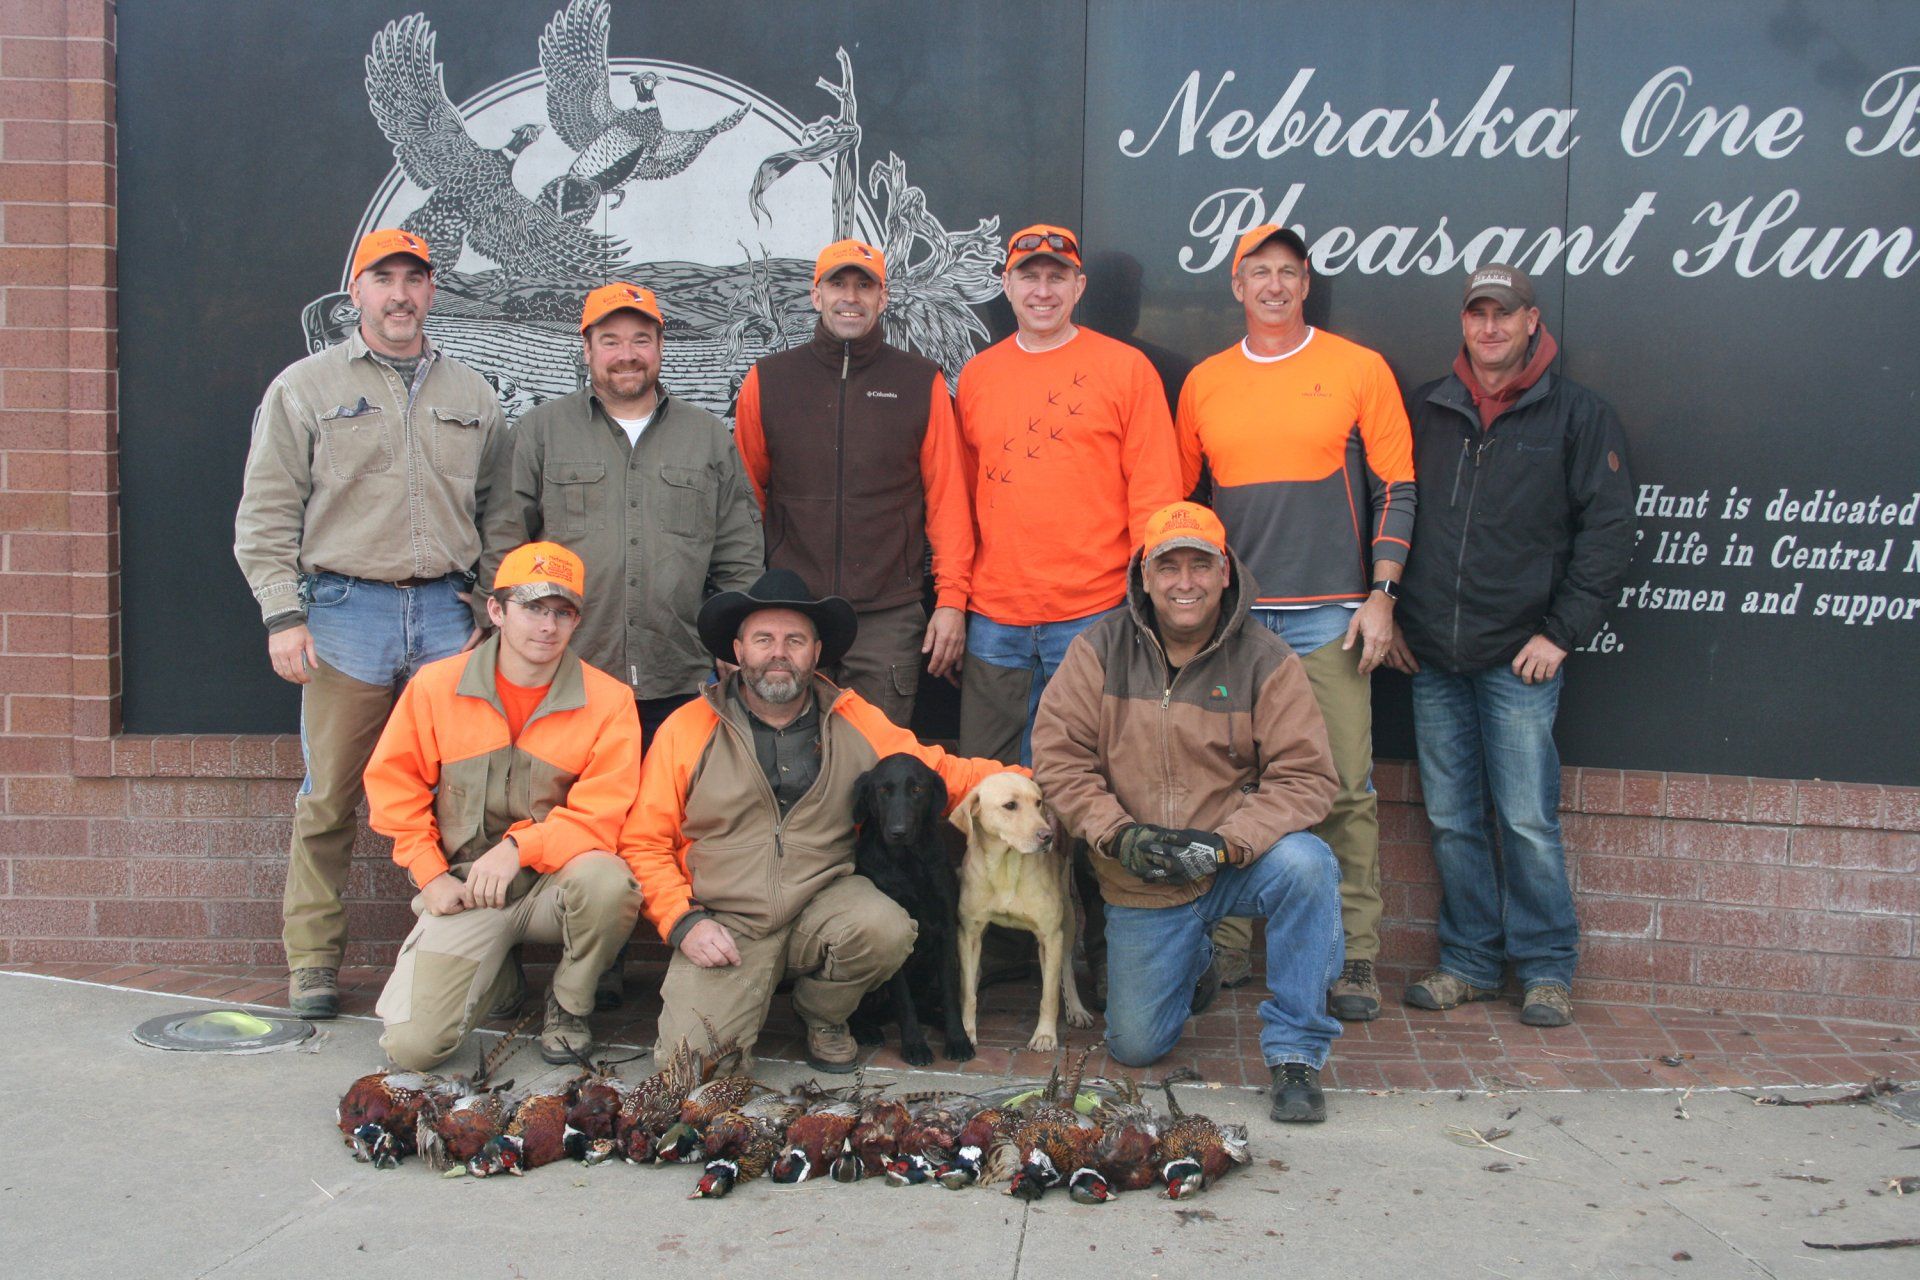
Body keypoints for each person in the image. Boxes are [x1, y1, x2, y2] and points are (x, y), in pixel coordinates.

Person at [234, 228, 506, 1020]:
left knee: (469, 795)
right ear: (356, 292)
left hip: (449, 615)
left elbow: (498, 507)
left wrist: (492, 599)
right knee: (329, 798)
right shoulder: (305, 388)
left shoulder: (473, 393)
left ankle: (472, 956)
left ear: (430, 292)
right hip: (346, 614)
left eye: (414, 280)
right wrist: (282, 614)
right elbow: (268, 512)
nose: (400, 294)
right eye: (382, 278)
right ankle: (314, 962)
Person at [622, 569, 1012, 1071]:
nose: (779, 652)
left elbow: (940, 771)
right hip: (726, 919)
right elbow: (644, 842)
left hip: (825, 902)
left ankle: (823, 1014)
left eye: (795, 640)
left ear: (816, 650)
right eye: (764, 639)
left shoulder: (856, 720)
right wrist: (682, 921)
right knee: (691, 1070)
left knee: (888, 927)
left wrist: (1027, 783)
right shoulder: (688, 728)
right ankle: (742, 1002)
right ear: (738, 650)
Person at [1174, 223, 1416, 1022]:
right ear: (1236, 286)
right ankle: (1231, 949)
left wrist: (1382, 593)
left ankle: (1355, 961)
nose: (1274, 285)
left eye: (1288, 271)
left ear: (1306, 283)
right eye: (1258, 273)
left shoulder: (1357, 368)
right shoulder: (1205, 382)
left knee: (1344, 788)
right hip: (1235, 624)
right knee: (1232, 786)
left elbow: (1397, 487)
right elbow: (1182, 513)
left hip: (1331, 621)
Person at [1033, 502, 1344, 1122]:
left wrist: (1227, 843)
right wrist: (1117, 835)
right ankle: (1194, 962)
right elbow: (1057, 757)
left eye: (1199, 566)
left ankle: (1297, 1056)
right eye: (1167, 567)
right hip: (1141, 876)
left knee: (1309, 865)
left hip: (1235, 860)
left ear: (1225, 572)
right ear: (1142, 578)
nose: (1184, 582)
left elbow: (1307, 778)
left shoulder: (1267, 658)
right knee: (1136, 1045)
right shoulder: (1098, 650)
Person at [1386, 264, 1635, 1028]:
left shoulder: (1577, 415)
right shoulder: (1427, 407)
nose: (1489, 327)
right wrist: (1390, 611)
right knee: (1455, 819)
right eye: (1477, 314)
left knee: (1525, 818)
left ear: (1532, 320)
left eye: (1504, 314)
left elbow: (1608, 532)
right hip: (1431, 654)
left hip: (1520, 658)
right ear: (1463, 322)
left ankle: (1546, 968)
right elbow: (1390, 505)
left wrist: (1560, 634)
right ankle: (1468, 961)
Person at [366, 542, 643, 1068]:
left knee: (610, 882)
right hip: (470, 891)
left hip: (556, 887)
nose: (548, 626)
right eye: (533, 608)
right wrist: (430, 875)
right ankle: (499, 979)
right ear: (496, 610)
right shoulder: (436, 686)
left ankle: (568, 1005)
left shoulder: (609, 701)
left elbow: (604, 812)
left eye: (562, 612)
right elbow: (393, 785)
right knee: (412, 1050)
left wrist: (520, 847)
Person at [479, 282, 762, 747]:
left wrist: (738, 636)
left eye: (640, 340)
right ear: (586, 348)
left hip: (680, 677)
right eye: (610, 341)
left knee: (672, 816)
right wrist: (504, 639)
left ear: (661, 347)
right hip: (567, 673)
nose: (626, 354)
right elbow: (505, 542)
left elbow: (739, 554)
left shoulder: (707, 437)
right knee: (570, 813)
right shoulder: (540, 432)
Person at [953, 224, 1181, 768]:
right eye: (1028, 277)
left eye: (1057, 277)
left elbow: (1156, 494)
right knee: (991, 784)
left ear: (1079, 288)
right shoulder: (978, 376)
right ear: (1005, 286)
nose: (1043, 291)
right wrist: (954, 597)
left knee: (1087, 781)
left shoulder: (1126, 370)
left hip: (1094, 613)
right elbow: (959, 500)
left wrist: (1143, 599)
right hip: (996, 618)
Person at [733, 239, 972, 727]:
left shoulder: (919, 381)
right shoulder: (769, 380)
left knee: (877, 762)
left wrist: (951, 601)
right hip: (792, 614)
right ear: (815, 295)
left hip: (887, 616)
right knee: (788, 755)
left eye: (865, 286)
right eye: (837, 284)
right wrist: (743, 602)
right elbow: (742, 505)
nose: (850, 297)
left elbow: (947, 501)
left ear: (883, 299)